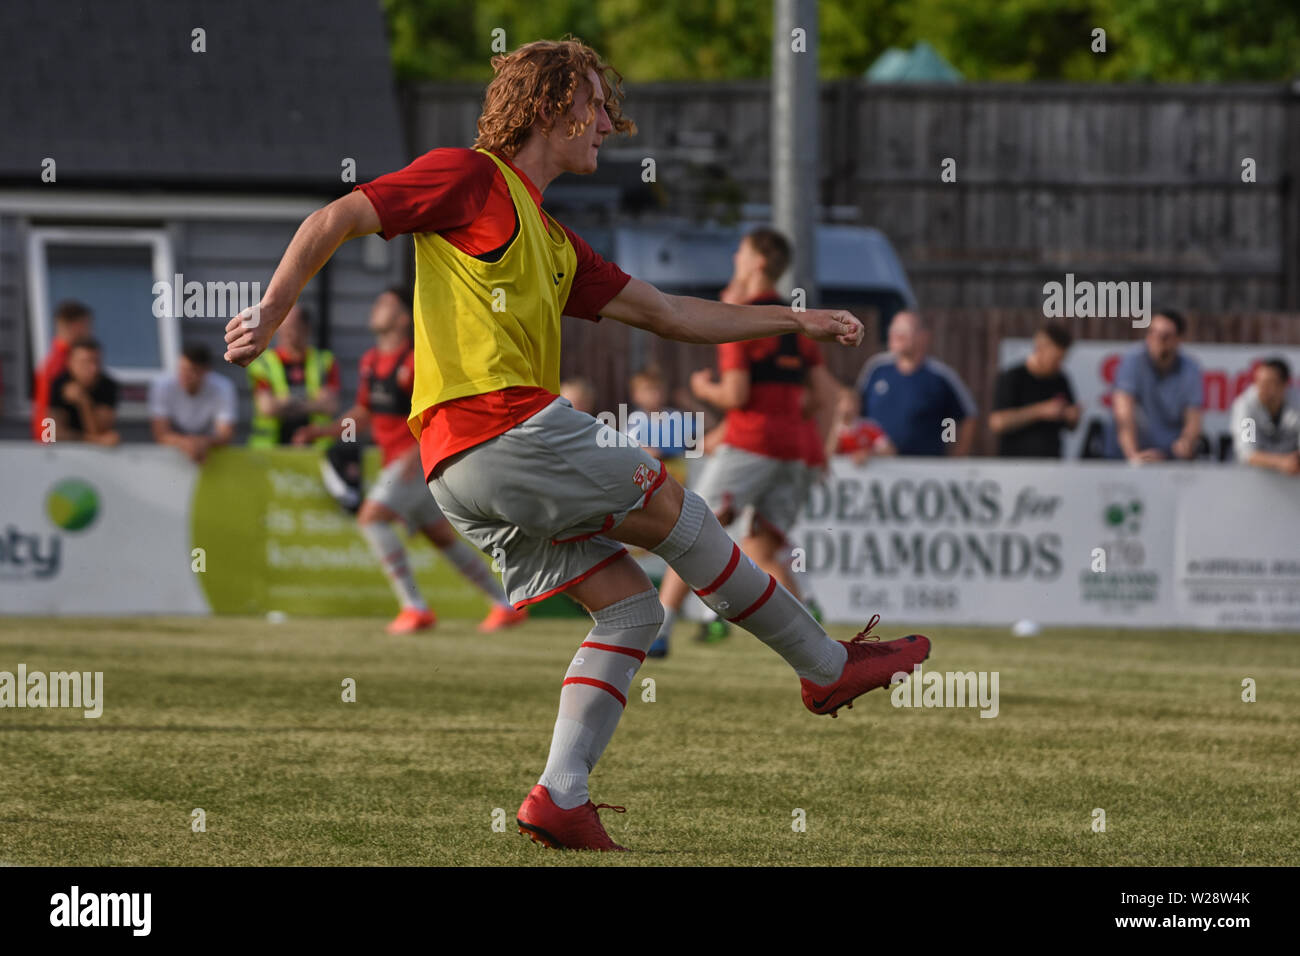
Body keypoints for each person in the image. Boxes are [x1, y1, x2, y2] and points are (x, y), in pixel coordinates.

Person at [225, 38, 930, 852]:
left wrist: (793, 317)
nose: (607, 123)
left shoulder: (554, 241)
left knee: (630, 608)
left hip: (460, 468)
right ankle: (822, 667)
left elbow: (670, 313)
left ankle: (560, 795)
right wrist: (275, 310)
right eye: (594, 104)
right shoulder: (470, 175)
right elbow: (338, 215)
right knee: (673, 504)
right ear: (552, 106)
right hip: (502, 429)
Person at [293, 289, 529, 635]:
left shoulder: (416, 361)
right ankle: (505, 606)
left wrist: (415, 451)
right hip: (402, 461)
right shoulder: (371, 361)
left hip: (416, 461)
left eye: (385, 304)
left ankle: (415, 607)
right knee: (440, 537)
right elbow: (365, 412)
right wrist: (324, 430)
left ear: (404, 319)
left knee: (370, 519)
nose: (375, 308)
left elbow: (440, 414)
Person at [650, 228, 837, 657]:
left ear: (756, 262)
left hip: (753, 443)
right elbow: (826, 395)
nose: (734, 254)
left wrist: (704, 388)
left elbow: (737, 396)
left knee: (690, 527)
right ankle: (819, 640)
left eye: (741, 249)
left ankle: (660, 630)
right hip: (796, 450)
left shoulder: (738, 317)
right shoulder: (796, 319)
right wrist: (821, 450)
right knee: (762, 547)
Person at [855, 310, 977, 456]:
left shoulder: (940, 377)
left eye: (905, 330)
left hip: (924, 470)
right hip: (876, 468)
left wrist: (953, 452)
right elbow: (855, 411)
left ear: (923, 336)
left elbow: (959, 417)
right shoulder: (876, 369)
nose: (897, 335)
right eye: (894, 329)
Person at [1107, 309, 1203, 462]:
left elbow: (1193, 417)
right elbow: (1124, 415)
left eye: (1164, 336)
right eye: (1152, 333)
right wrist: (1133, 455)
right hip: (1126, 457)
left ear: (1178, 340)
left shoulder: (1190, 368)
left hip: (1168, 457)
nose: (1156, 340)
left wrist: (1186, 443)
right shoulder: (1133, 360)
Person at [247, 304, 339, 448]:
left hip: (315, 451)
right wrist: (311, 402)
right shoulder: (263, 364)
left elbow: (329, 405)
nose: (286, 332)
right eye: (282, 327)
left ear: (306, 328)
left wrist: (285, 401)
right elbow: (267, 408)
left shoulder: (325, 361)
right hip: (270, 451)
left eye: (293, 327)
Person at [989, 321, 1080, 458]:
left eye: (1062, 359)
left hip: (1051, 463)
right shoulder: (1013, 377)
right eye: (1056, 359)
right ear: (1040, 350)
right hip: (1016, 464)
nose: (1059, 364)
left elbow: (1071, 426)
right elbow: (998, 423)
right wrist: (1040, 411)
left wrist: (1071, 416)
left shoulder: (1061, 379)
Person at [150, 343, 237, 463]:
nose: (184, 376)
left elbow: (225, 434)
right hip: (178, 453)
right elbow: (160, 432)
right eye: (182, 369)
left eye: (191, 370)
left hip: (206, 451)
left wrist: (201, 443)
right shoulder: (162, 385)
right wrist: (188, 443)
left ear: (206, 371)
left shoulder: (223, 387)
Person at [31, 300, 93, 442]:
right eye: (87, 325)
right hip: (55, 446)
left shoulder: (56, 360)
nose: (89, 332)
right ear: (75, 326)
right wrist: (50, 439)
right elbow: (48, 409)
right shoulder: (58, 364)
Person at [1232, 358, 1300, 476]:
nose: (1261, 388)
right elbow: (1247, 453)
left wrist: (1292, 462)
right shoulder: (1245, 406)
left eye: (1268, 383)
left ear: (1284, 385)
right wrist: (1281, 462)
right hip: (1252, 478)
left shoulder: (1297, 404)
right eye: (1258, 382)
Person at [47, 338, 120, 446]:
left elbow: (100, 431)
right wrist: (95, 440)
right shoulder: (58, 385)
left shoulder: (107, 385)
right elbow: (51, 434)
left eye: (96, 362)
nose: (93, 369)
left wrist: (84, 402)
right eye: (85, 362)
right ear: (70, 363)